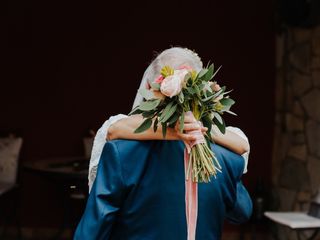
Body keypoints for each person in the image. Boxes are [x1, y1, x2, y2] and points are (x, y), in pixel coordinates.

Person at [74, 47, 252, 240]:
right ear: (202, 93)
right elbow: (242, 212)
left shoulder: (121, 153)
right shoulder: (226, 157)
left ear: (150, 89)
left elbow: (90, 232)